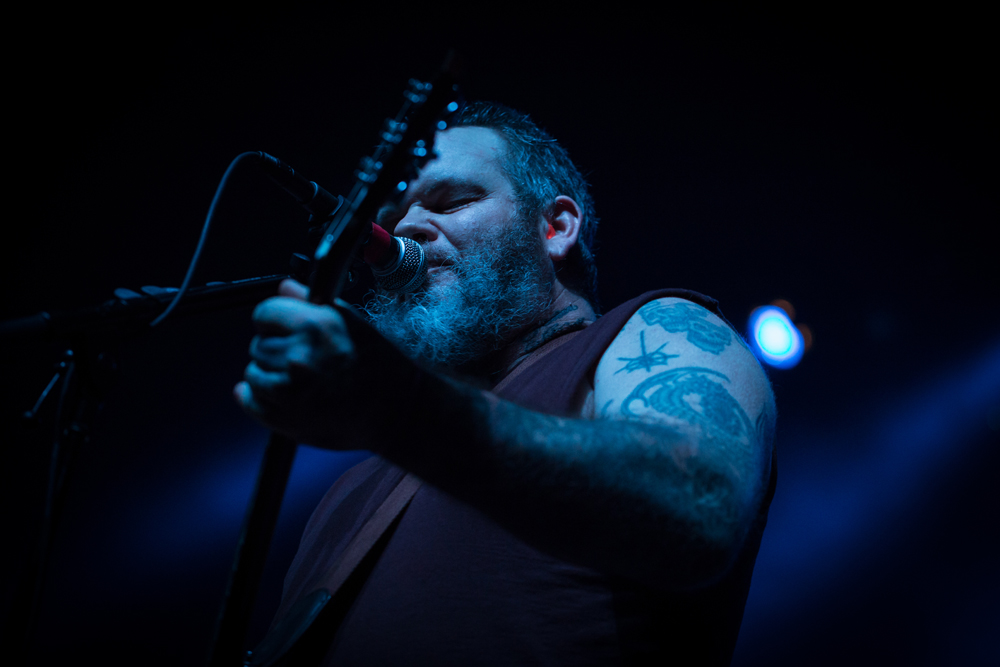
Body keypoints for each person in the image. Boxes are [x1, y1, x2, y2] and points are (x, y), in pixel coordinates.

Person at [235, 102, 777, 666]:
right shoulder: (352, 485)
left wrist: (400, 411)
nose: (406, 228)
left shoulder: (654, 328)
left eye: (454, 202)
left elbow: (698, 505)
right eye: (395, 215)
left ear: (557, 228)